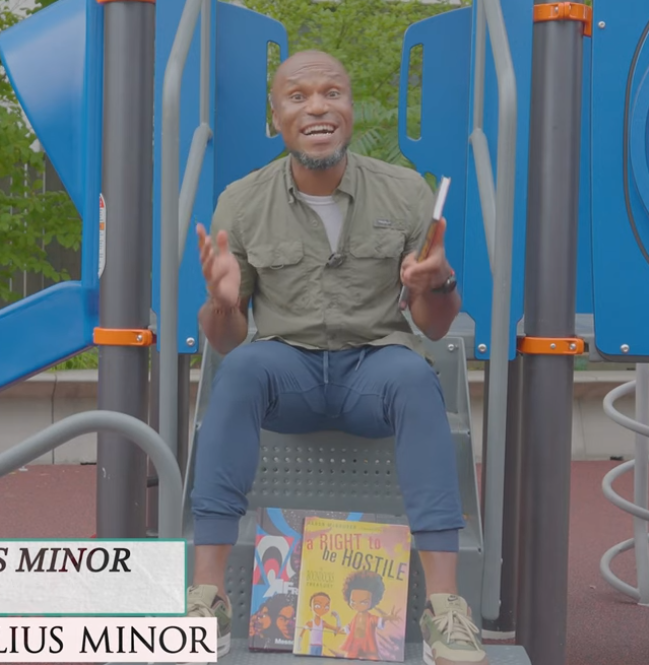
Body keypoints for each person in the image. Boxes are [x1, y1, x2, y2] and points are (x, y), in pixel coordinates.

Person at [187, 49, 488, 665]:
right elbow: (224, 341)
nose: (318, 106)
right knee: (239, 369)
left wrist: (438, 282)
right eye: (298, 97)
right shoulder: (241, 202)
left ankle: (446, 611)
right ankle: (207, 596)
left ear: (350, 109)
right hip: (286, 370)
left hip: (371, 369)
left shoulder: (405, 191)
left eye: (333, 93)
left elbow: (432, 328)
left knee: (413, 376)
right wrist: (219, 301)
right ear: (277, 116)